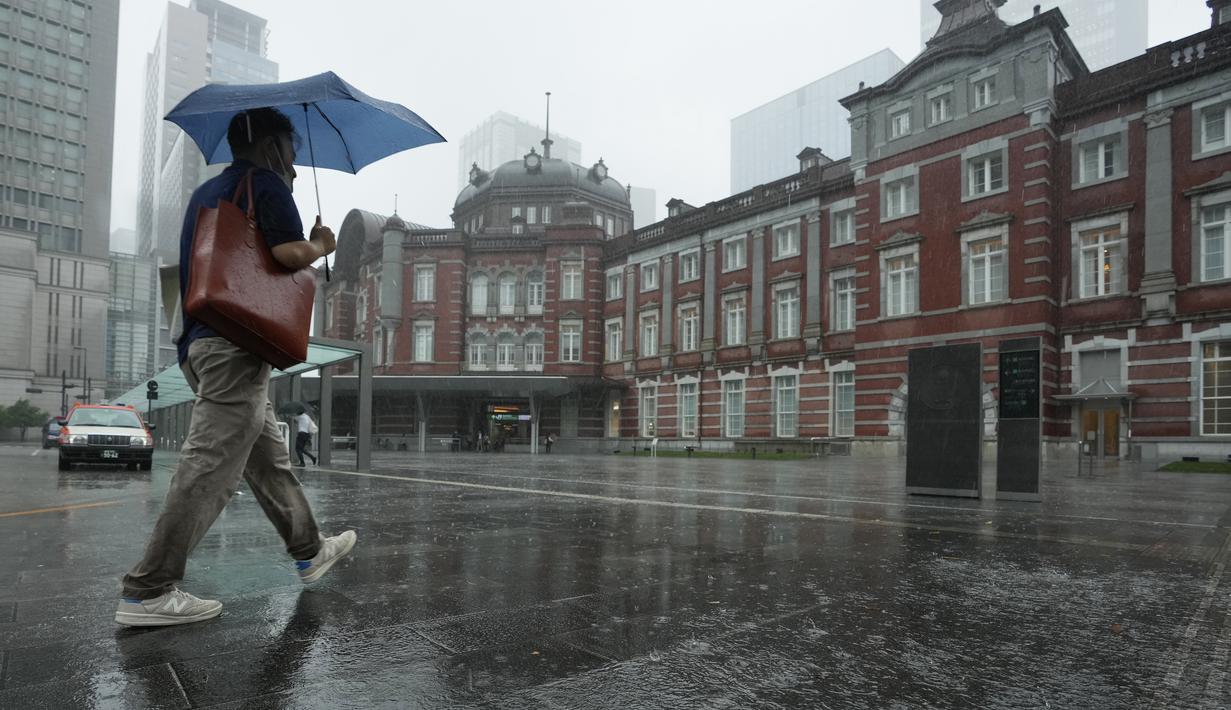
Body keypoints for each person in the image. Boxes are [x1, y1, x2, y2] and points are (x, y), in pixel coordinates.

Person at [116, 108, 356, 627]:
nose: (295, 160)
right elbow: (289, 255)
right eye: (291, 149)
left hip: (203, 344)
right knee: (210, 467)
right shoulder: (266, 184)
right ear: (272, 147)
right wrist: (321, 245)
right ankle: (148, 589)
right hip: (235, 346)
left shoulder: (209, 193)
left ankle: (309, 550)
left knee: (268, 459)